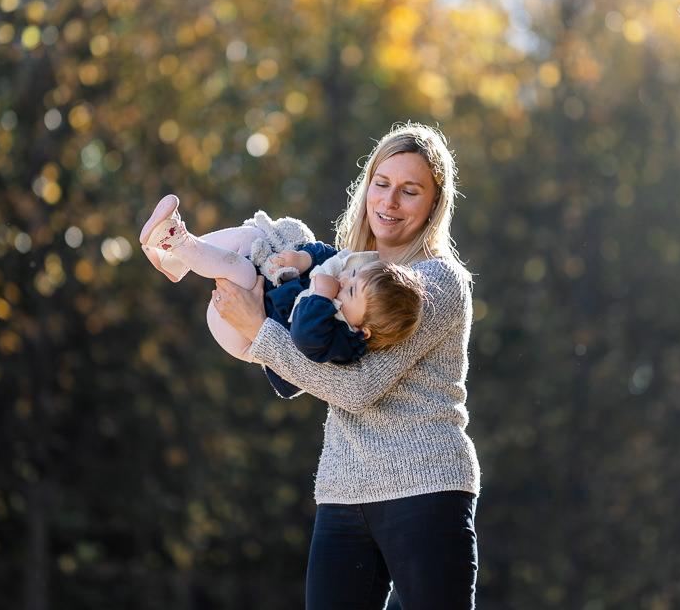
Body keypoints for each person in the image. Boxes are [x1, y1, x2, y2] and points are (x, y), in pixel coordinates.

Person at [210, 123, 481, 609]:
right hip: (342, 488)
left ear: (434, 205)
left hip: (426, 487)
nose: (390, 201)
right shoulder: (342, 273)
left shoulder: (436, 282)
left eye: (410, 190)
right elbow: (299, 371)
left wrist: (260, 330)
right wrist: (272, 302)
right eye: (382, 183)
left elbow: (359, 388)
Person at [138, 198, 425, 398]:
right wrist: (304, 258)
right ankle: (175, 257)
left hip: (246, 337)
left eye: (351, 290)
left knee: (242, 270)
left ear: (364, 330)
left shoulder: (344, 340)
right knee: (252, 238)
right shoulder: (351, 290)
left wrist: (323, 297)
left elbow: (304, 337)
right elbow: (334, 258)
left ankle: (177, 239)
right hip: (262, 304)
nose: (344, 282)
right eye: (353, 278)